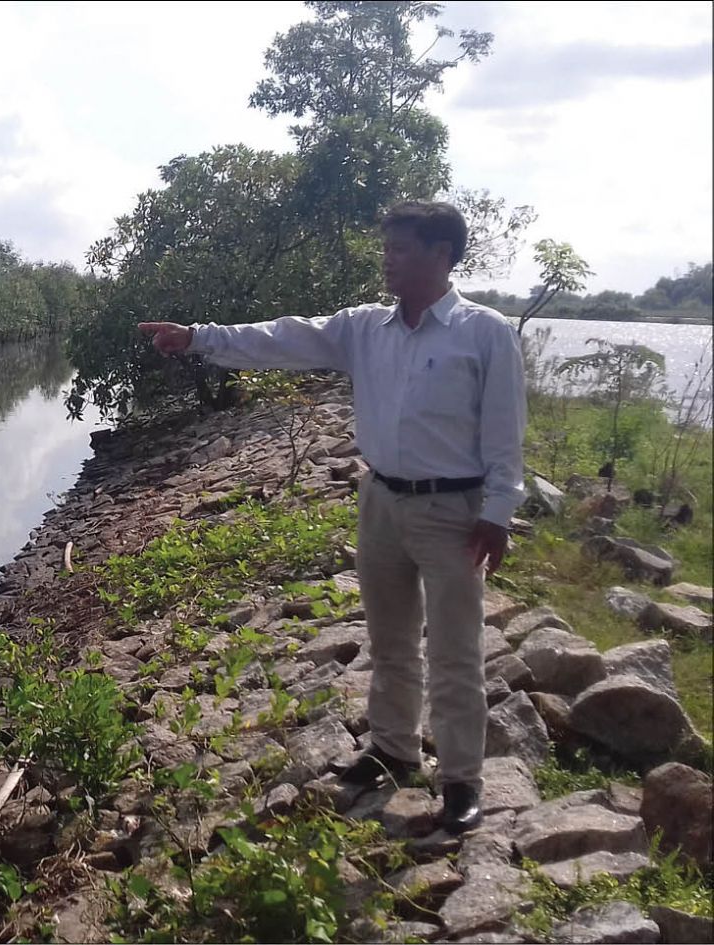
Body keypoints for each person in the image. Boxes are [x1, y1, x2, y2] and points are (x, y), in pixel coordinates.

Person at [137, 200, 526, 835]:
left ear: (440, 254)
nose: (388, 258)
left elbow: (506, 435)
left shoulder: (484, 333)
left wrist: (499, 512)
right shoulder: (364, 328)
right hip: (381, 501)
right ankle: (395, 747)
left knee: (456, 648)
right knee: (391, 639)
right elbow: (283, 337)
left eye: (401, 248)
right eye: (388, 246)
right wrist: (199, 337)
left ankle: (461, 779)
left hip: (454, 510)